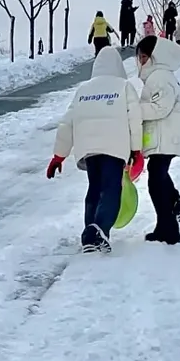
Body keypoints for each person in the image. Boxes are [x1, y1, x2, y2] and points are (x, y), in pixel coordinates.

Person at [47, 46, 142, 253]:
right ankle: (99, 231)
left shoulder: (83, 90)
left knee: (94, 188)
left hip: (88, 150)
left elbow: (67, 123)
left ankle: (90, 234)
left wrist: (58, 156)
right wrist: (136, 150)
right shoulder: (124, 86)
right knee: (111, 189)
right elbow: (135, 120)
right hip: (115, 147)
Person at [135, 35, 180, 245]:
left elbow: (161, 108)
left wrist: (132, 109)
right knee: (157, 175)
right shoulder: (159, 76)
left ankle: (169, 229)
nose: (140, 62)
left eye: (143, 57)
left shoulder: (160, 76)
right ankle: (174, 207)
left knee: (156, 179)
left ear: (154, 57)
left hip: (168, 134)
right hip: (165, 134)